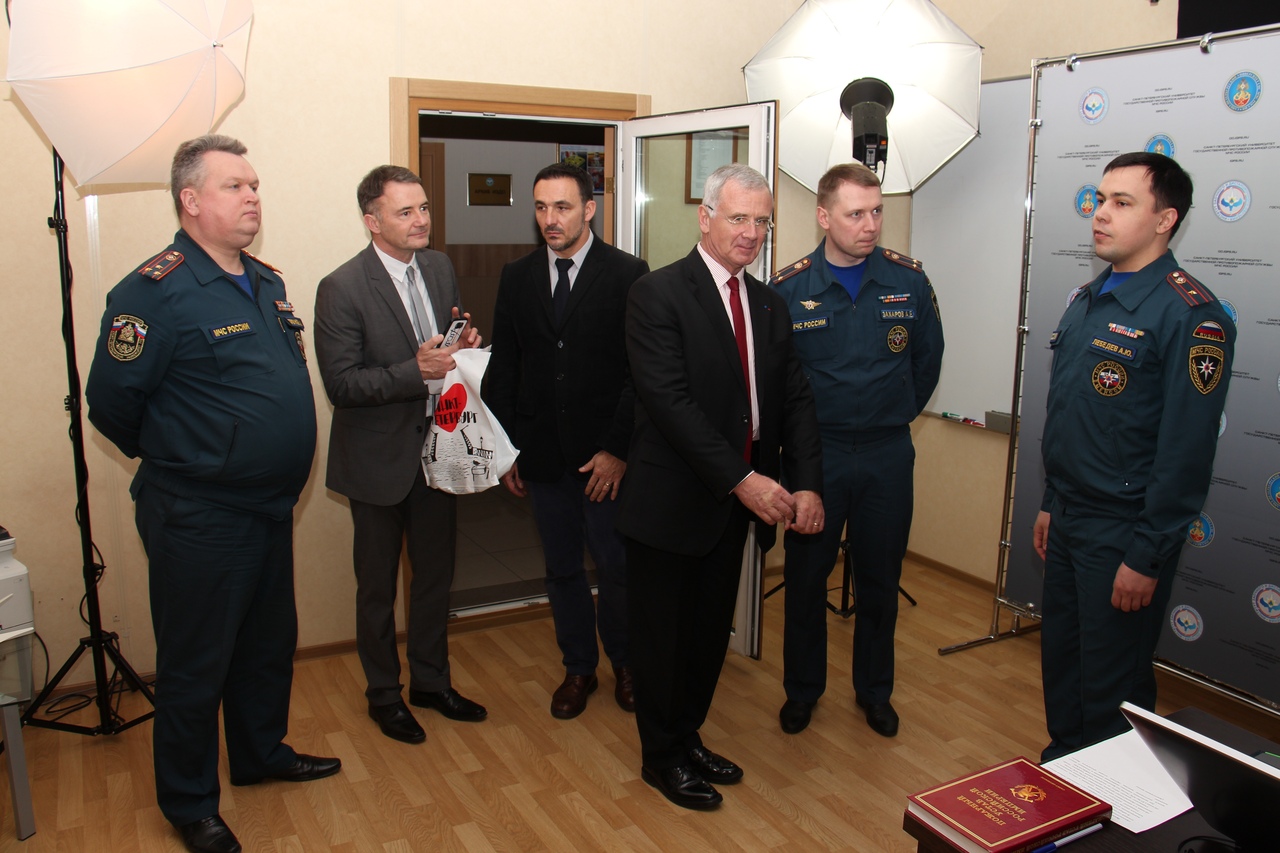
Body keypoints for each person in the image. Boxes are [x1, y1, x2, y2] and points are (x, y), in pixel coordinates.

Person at [85, 135, 340, 853]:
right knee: (196, 663)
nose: (252, 196)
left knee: (266, 645)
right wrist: (192, 457)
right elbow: (111, 404)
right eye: (234, 186)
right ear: (190, 200)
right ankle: (190, 802)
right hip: (199, 513)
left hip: (270, 508)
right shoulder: (153, 292)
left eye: (254, 184)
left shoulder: (264, 281)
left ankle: (259, 754)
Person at [617, 163, 824, 810]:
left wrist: (806, 483)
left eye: (762, 221)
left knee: (709, 637)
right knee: (663, 641)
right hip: (671, 503)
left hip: (733, 509)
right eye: (738, 218)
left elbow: (794, 399)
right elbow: (670, 404)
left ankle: (688, 737)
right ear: (705, 217)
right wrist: (743, 479)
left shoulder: (769, 303)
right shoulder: (656, 294)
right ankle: (660, 758)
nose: (751, 233)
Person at [1034, 152, 1234, 761]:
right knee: (1064, 664)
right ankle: (1067, 776)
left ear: (1165, 219)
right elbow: (1073, 417)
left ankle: (1118, 799)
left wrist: (1147, 555)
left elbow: (1185, 452)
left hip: (1123, 531)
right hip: (1069, 516)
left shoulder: (1190, 314)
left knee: (1113, 687)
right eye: (1100, 199)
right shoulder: (1089, 297)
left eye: (1122, 203)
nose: (1100, 214)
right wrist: (1050, 502)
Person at [314, 165, 486, 748]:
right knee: (377, 589)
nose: (421, 221)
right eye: (405, 212)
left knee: (435, 578)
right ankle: (384, 695)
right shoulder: (341, 287)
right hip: (376, 462)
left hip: (440, 450)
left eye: (424, 208)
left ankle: (431, 683)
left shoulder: (437, 267)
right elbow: (342, 384)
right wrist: (415, 371)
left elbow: (444, 350)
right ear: (372, 221)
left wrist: (462, 349)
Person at [770, 162, 944, 739]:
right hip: (815, 460)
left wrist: (893, 414)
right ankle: (802, 691)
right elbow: (776, 383)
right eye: (855, 214)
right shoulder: (790, 289)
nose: (869, 225)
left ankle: (874, 692)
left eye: (876, 212)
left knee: (879, 580)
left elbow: (927, 362)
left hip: (885, 454)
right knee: (805, 581)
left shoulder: (908, 281)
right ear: (824, 217)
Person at [484, 164, 650, 719]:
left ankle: (627, 664)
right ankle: (578, 669)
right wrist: (507, 448)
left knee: (617, 568)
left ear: (589, 209)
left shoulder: (628, 273)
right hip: (543, 456)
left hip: (604, 461)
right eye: (541, 207)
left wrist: (617, 450)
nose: (550, 219)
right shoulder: (517, 276)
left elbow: (639, 374)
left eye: (562, 207)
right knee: (561, 570)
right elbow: (505, 368)